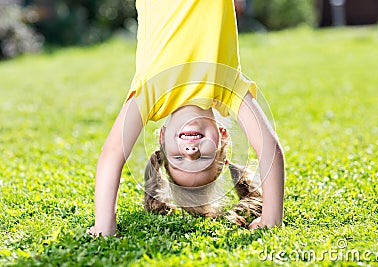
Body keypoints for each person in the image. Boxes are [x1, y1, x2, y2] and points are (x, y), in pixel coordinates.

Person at [90, 0, 285, 237]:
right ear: (222, 136)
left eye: (178, 158)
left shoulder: (151, 95)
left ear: (162, 137)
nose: (191, 151)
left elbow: (112, 154)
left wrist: (104, 225)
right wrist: (272, 218)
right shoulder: (227, 87)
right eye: (203, 157)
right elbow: (269, 149)